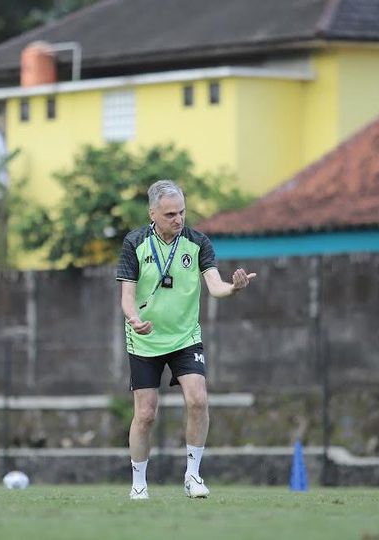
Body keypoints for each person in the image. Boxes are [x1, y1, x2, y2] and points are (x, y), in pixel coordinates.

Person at [116, 179, 255, 500]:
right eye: (169, 214)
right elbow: (126, 296)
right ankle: (139, 483)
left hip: (184, 337)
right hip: (145, 340)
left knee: (198, 399)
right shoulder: (134, 242)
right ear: (152, 213)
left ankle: (193, 476)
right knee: (146, 413)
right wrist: (134, 319)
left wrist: (234, 288)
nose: (178, 219)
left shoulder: (198, 242)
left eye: (181, 212)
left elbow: (215, 286)